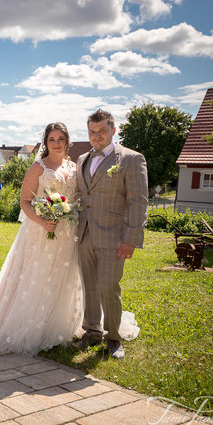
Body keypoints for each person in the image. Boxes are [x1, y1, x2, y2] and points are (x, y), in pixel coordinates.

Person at [0, 122, 84, 356]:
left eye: (61, 139)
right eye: (52, 139)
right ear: (45, 142)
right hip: (40, 232)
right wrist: (43, 222)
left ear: (67, 141)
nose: (57, 143)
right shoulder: (38, 167)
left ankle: (60, 323)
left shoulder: (73, 166)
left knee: (61, 275)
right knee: (37, 276)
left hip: (68, 233)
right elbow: (25, 202)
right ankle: (31, 323)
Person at [74, 109, 147, 359]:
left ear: (113, 130)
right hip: (84, 235)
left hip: (114, 238)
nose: (97, 136)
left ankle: (113, 339)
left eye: (102, 131)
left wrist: (131, 240)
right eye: (92, 132)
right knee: (90, 287)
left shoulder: (131, 159)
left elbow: (139, 202)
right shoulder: (82, 158)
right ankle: (91, 332)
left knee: (108, 287)